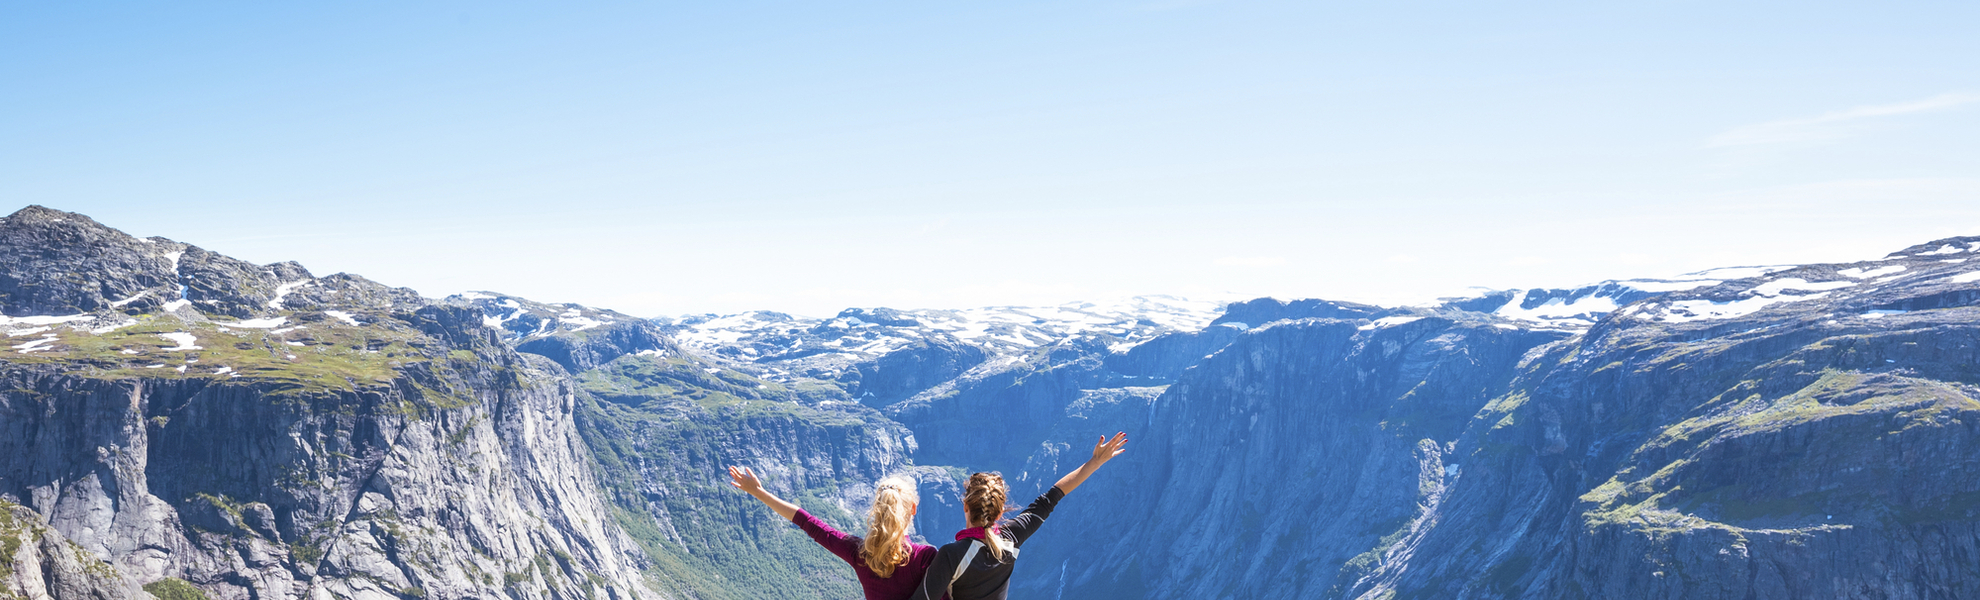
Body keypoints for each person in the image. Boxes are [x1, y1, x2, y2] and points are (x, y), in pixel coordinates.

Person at [911, 432, 1129, 600]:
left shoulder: (951, 555)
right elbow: (1050, 498)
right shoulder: (1009, 540)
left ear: (965, 505)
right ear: (1000, 511)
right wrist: (1095, 463)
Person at [728, 467, 940, 600]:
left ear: (876, 509)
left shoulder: (860, 553)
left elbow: (808, 522)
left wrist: (758, 492)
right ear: (913, 508)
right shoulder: (925, 557)